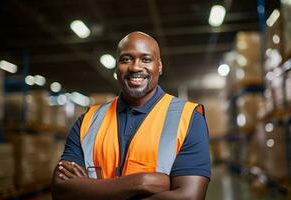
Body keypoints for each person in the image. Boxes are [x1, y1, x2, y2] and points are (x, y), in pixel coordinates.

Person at [52, 31, 211, 200]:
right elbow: (62, 191)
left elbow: (189, 197)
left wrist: (90, 189)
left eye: (146, 59)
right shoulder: (88, 121)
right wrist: (141, 182)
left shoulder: (188, 119)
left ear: (160, 66)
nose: (135, 67)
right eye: (126, 59)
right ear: (117, 66)